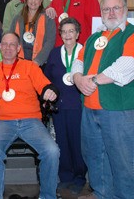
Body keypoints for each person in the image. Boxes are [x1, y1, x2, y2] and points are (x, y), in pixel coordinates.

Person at [71, 0, 134, 199]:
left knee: (122, 160)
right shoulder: (93, 38)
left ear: (126, 9)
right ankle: (102, 193)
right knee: (95, 156)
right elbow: (78, 62)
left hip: (121, 110)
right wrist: (78, 78)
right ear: (101, 13)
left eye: (116, 8)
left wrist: (93, 81)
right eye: (106, 9)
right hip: (91, 108)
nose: (111, 13)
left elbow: (128, 66)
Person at [0, 32, 60, 199]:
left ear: (18, 49)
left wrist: (50, 92)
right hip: (3, 122)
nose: (8, 48)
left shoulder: (30, 67)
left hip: (31, 121)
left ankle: (48, 196)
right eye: (5, 44)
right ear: (0, 47)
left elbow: (45, 86)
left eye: (12, 45)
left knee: (52, 151)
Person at [43, 17, 86, 194]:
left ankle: (80, 177)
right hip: (59, 106)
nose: (67, 35)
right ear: (60, 34)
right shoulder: (54, 53)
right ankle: (65, 176)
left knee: (78, 142)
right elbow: (47, 78)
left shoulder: (86, 51)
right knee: (61, 141)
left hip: (79, 105)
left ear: (77, 33)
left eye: (71, 31)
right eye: (64, 31)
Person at [10, 0, 56, 67]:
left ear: (41, 1)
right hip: (19, 61)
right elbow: (10, 37)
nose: (33, 1)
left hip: (40, 62)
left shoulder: (48, 18)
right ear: (26, 0)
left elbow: (50, 42)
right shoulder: (17, 18)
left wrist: (38, 61)